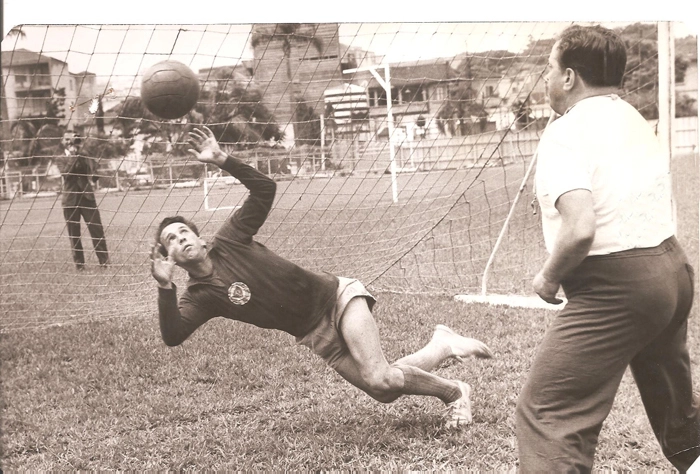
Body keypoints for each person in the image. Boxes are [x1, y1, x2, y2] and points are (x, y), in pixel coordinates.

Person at [150, 126, 493, 428]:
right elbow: (174, 335)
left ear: (201, 240)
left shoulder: (230, 238)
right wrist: (165, 288)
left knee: (380, 375)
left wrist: (224, 159)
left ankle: (456, 393)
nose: (180, 238)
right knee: (383, 388)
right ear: (170, 258)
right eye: (170, 239)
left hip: (337, 298)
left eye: (183, 231)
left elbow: (264, 190)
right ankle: (443, 344)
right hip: (314, 333)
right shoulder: (198, 296)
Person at [516, 25, 700, 472]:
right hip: (672, 271)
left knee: (548, 414)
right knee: (675, 409)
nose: (545, 80)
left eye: (548, 69)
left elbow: (579, 228)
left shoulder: (565, 132)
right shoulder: (633, 118)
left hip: (617, 287)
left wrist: (547, 277)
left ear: (569, 77)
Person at [58, 132, 109, 270]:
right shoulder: (61, 158)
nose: (72, 141)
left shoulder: (84, 155)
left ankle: (104, 262)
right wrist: (73, 156)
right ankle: (79, 265)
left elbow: (94, 174)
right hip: (70, 201)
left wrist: (82, 153)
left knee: (97, 229)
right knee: (74, 234)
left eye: (73, 139)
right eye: (68, 139)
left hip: (87, 198)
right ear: (63, 142)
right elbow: (67, 174)